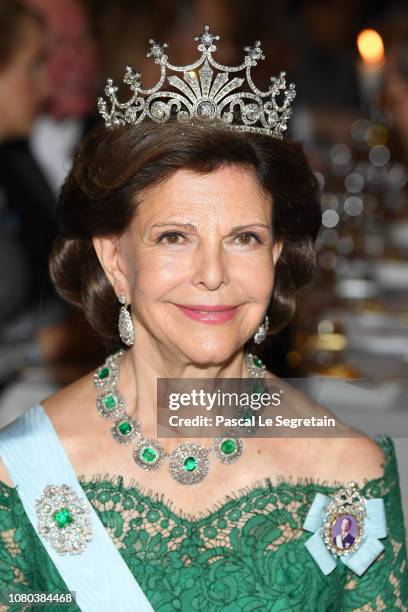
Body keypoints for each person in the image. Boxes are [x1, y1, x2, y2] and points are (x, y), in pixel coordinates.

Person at [0, 25, 407, 612]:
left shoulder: (348, 471)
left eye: (244, 238)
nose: (213, 273)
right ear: (115, 259)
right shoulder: (22, 474)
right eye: (174, 237)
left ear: (273, 257)